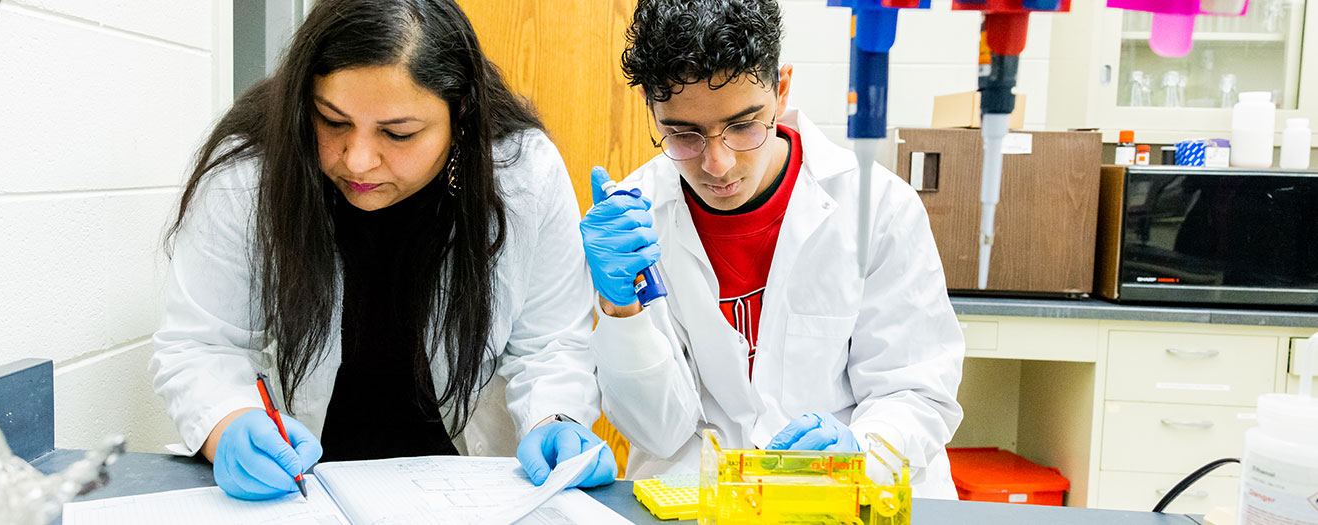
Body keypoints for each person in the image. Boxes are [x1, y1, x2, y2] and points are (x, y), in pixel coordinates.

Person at [150, 0, 614, 501]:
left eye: (398, 133)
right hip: (303, 491)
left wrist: (555, 418)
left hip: (466, 495)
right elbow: (201, 345)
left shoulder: (521, 173)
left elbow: (549, 347)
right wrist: (229, 421)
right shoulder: (250, 172)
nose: (359, 160)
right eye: (333, 121)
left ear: (460, 118)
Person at [580, 0, 965, 497]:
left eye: (743, 126)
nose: (718, 164)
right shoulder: (636, 221)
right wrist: (621, 312)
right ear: (653, 114)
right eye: (683, 134)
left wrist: (860, 450)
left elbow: (917, 391)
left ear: (781, 90)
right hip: (703, 499)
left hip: (851, 499)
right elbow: (659, 431)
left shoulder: (878, 208)